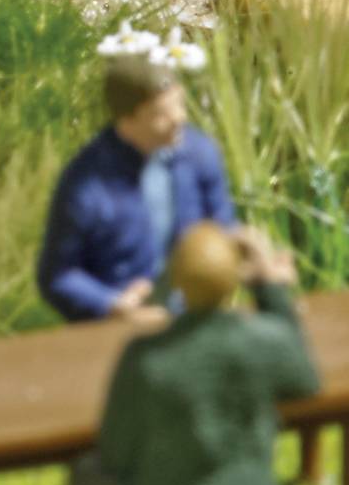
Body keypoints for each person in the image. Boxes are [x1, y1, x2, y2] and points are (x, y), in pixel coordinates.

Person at [72, 222, 316, 485]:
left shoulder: (145, 359)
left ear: (178, 281)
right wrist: (269, 287)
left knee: (87, 476)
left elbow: (116, 453)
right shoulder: (257, 343)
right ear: (235, 279)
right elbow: (304, 375)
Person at [39, 31, 239, 323]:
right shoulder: (86, 185)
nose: (179, 119)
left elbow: (222, 226)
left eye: (180, 105)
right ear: (128, 120)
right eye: (161, 114)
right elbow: (58, 275)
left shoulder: (199, 154)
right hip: (121, 324)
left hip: (195, 315)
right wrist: (113, 304)